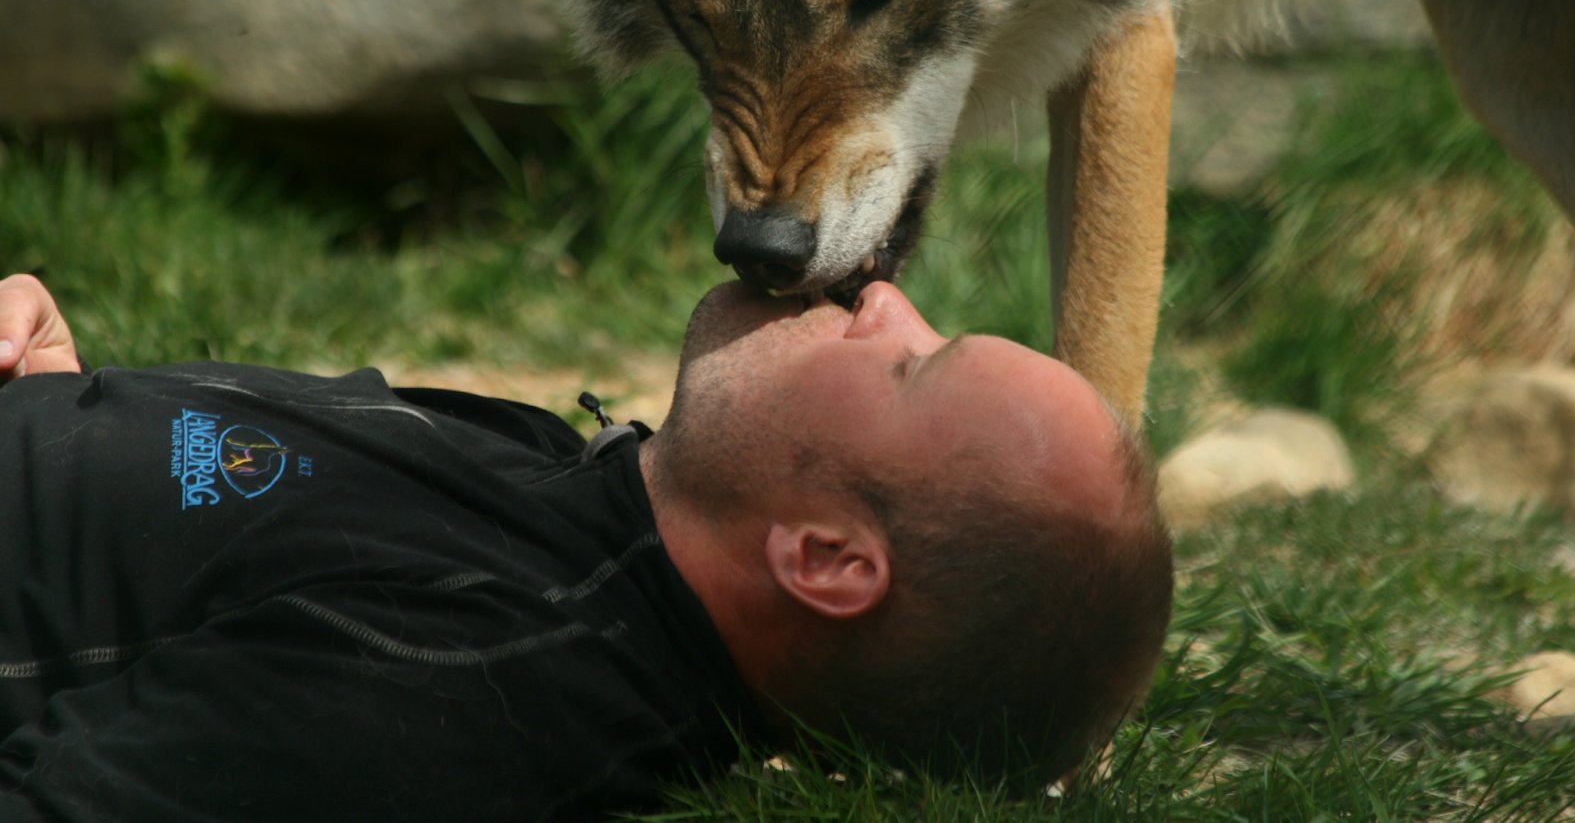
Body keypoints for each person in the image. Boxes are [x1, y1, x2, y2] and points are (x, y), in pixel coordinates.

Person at [0, 272, 1172, 822]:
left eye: (917, 361)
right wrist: (62, 397)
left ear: (824, 559)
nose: (883, 295)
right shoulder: (581, 509)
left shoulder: (465, 680)